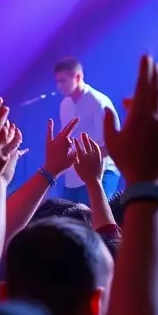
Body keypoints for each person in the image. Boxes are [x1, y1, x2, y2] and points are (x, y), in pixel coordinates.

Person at [53, 58, 121, 205]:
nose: (59, 86)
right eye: (57, 81)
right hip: (74, 174)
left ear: (78, 77)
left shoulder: (97, 102)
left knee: (93, 220)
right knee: (69, 220)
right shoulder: (64, 105)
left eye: (63, 80)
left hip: (103, 170)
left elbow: (112, 144)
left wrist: (86, 161)